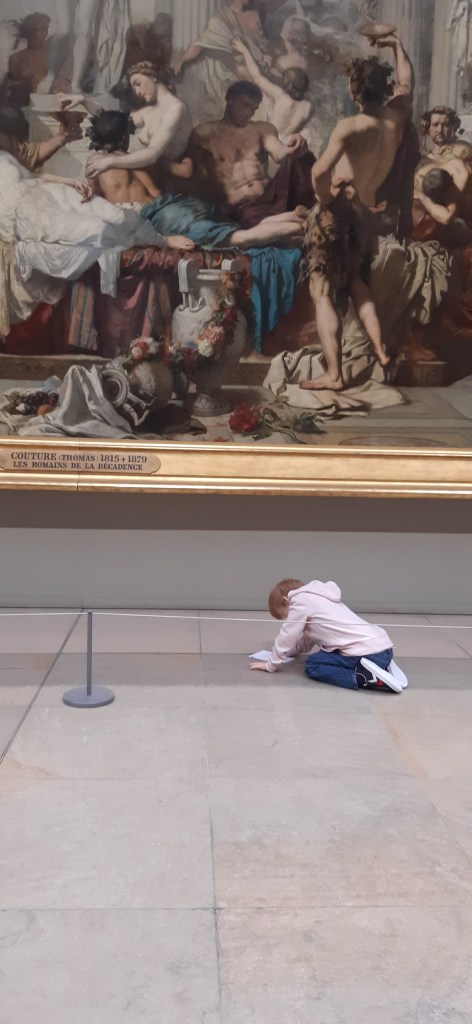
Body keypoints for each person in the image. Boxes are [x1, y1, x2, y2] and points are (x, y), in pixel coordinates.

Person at [299, 29, 415, 391]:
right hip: (363, 216)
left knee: (321, 292)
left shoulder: (349, 126)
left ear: (354, 90)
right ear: (384, 88)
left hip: (335, 215)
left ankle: (334, 374)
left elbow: (319, 172)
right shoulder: (397, 118)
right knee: (357, 283)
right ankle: (380, 349)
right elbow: (407, 84)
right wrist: (397, 45)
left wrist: (324, 198)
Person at [86, 109, 306, 250]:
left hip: (162, 217)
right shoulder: (145, 158)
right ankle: (294, 217)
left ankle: (299, 228)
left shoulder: (96, 164)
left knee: (238, 239)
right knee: (232, 228)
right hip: (180, 204)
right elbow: (185, 170)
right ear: (125, 137)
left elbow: (91, 201)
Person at [188, 79, 313, 225]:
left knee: (303, 157)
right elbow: (194, 179)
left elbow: (279, 153)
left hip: (272, 197)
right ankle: (295, 217)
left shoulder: (262, 129)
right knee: (256, 221)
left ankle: (307, 209)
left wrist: (294, 147)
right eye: (245, 105)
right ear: (230, 99)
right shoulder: (204, 134)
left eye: (253, 109)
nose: (248, 113)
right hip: (242, 207)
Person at [250, 577, 408, 693]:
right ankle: (383, 665)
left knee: (313, 664)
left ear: (286, 601)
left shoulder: (298, 602)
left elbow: (287, 635)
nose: (288, 618)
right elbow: (304, 643)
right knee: (329, 652)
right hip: (383, 647)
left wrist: (271, 664)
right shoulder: (320, 599)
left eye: (285, 615)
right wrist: (284, 653)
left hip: (365, 652)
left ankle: (362, 676)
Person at [84, 61, 193, 182]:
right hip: (149, 173)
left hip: (165, 180)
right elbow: (113, 121)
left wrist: (109, 161)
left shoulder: (176, 109)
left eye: (138, 83)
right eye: (133, 87)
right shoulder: (148, 111)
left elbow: (153, 154)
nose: (137, 91)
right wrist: (84, 100)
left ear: (153, 77)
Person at [231, 36, 315, 145]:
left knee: (261, 89)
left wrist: (244, 50)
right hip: (287, 143)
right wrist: (269, 70)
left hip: (271, 138)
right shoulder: (309, 106)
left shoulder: (282, 96)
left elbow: (257, 76)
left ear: (287, 85)